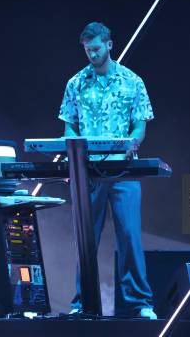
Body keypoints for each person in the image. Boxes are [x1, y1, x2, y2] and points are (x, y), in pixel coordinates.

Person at [58, 22, 157, 319]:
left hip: (123, 171)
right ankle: (82, 302)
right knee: (86, 238)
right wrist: (70, 149)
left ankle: (140, 302)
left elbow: (140, 124)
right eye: (88, 50)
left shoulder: (132, 81)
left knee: (129, 235)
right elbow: (69, 125)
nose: (93, 54)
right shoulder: (75, 83)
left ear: (110, 45)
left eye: (97, 49)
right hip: (88, 171)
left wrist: (132, 142)